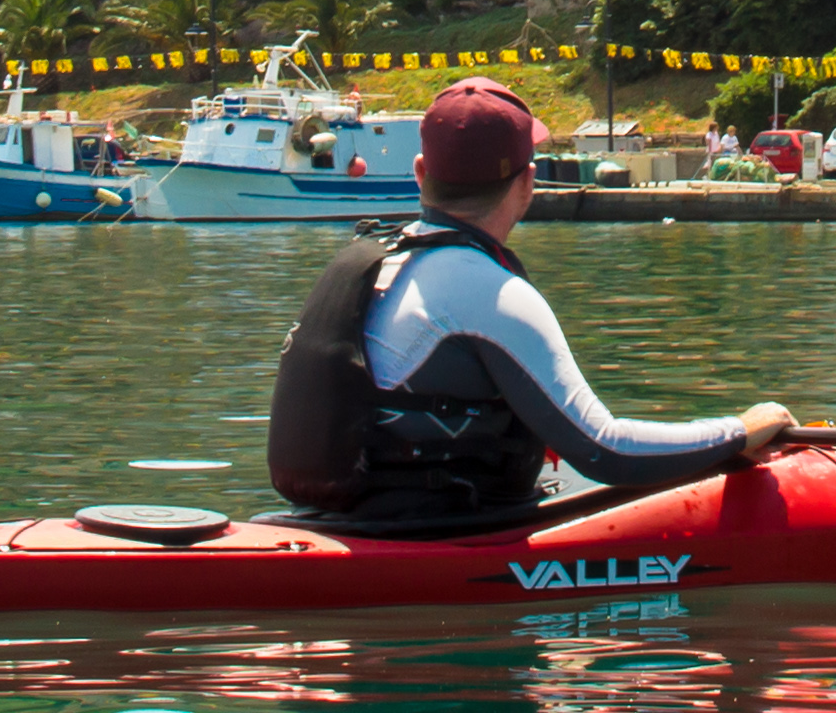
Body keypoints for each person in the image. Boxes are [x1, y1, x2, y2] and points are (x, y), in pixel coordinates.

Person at [267, 76, 792, 528]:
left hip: (347, 517)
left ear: (422, 172)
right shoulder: (491, 291)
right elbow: (604, 449)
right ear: (528, 183)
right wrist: (741, 430)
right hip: (425, 537)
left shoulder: (374, 262)